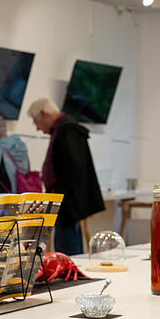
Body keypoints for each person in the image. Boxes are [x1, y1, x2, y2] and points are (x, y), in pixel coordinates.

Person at [28, 98, 104, 255]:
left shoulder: (67, 130)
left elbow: (73, 167)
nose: (37, 128)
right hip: (65, 199)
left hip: (66, 200)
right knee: (65, 242)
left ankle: (70, 276)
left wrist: (59, 192)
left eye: (36, 122)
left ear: (43, 114)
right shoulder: (62, 129)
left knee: (67, 247)